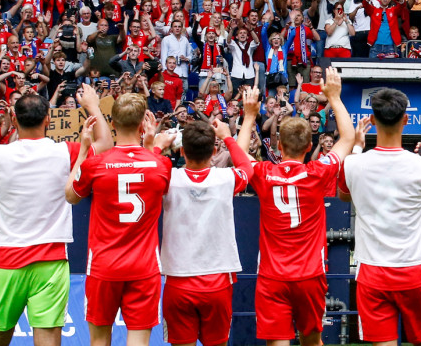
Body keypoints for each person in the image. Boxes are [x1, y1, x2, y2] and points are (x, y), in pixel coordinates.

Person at [0, 81, 111, 346]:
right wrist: (93, 105)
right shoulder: (65, 152)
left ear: (13, 119)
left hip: (6, 262)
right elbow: (104, 143)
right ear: (48, 119)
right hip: (51, 262)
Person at [240, 73, 356, 346]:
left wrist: (248, 117)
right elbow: (348, 138)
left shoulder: (264, 173)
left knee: (276, 342)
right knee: (312, 340)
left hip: (272, 276)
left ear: (278, 147)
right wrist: (335, 97)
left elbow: (240, 152)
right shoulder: (317, 172)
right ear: (309, 147)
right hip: (309, 275)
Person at [338, 88, 421, 346]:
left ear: (372, 121)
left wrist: (357, 149)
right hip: (415, 270)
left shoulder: (352, 164)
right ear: (406, 119)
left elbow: (343, 196)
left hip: (372, 272)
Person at [65, 94, 172, 346]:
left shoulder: (95, 164)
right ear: (142, 125)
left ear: (112, 123)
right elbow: (149, 171)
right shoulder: (161, 164)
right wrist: (151, 146)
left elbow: (71, 196)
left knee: (99, 340)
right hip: (143, 267)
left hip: (104, 266)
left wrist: (83, 150)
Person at [155, 117, 251, 346]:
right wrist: (228, 135)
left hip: (178, 282)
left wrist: (158, 145)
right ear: (214, 150)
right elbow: (247, 167)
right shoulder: (226, 178)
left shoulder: (167, 178)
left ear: (182, 150)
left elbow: (148, 168)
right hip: (217, 282)